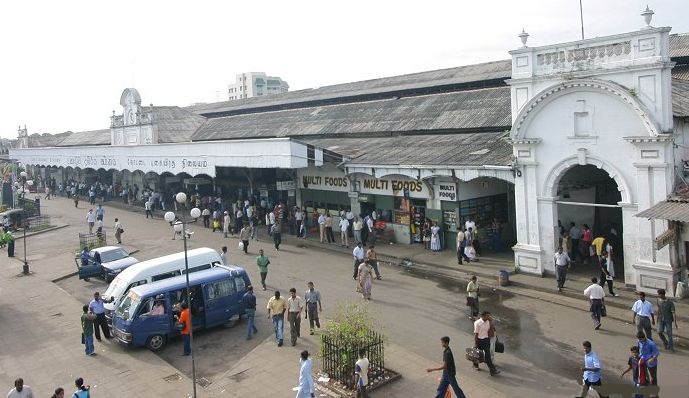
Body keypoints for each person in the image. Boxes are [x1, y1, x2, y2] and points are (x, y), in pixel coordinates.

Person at [473, 311, 499, 375]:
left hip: (486, 340)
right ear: (483, 316)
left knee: (488, 356)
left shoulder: (488, 321)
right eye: (487, 316)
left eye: (489, 316)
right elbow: (476, 334)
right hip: (479, 340)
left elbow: (492, 328)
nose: (489, 317)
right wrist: (476, 344)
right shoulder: (477, 323)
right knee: (477, 354)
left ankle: (492, 370)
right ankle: (475, 364)